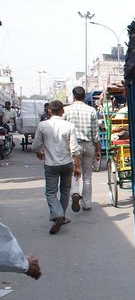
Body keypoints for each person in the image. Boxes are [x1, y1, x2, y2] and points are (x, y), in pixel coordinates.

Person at [32, 100, 81, 235]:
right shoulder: (69, 126)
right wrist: (77, 166)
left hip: (50, 164)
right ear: (63, 110)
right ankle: (62, 216)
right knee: (65, 190)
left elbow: (35, 146)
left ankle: (58, 214)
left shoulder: (42, 125)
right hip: (66, 164)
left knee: (50, 192)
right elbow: (75, 149)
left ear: (49, 111)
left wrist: (39, 154)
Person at [64, 86, 101, 212]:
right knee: (87, 176)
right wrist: (98, 150)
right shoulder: (91, 110)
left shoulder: (66, 110)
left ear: (73, 96)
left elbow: (63, 131)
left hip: (73, 146)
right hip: (88, 144)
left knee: (75, 172)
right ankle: (86, 204)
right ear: (84, 96)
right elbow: (96, 134)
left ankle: (75, 193)